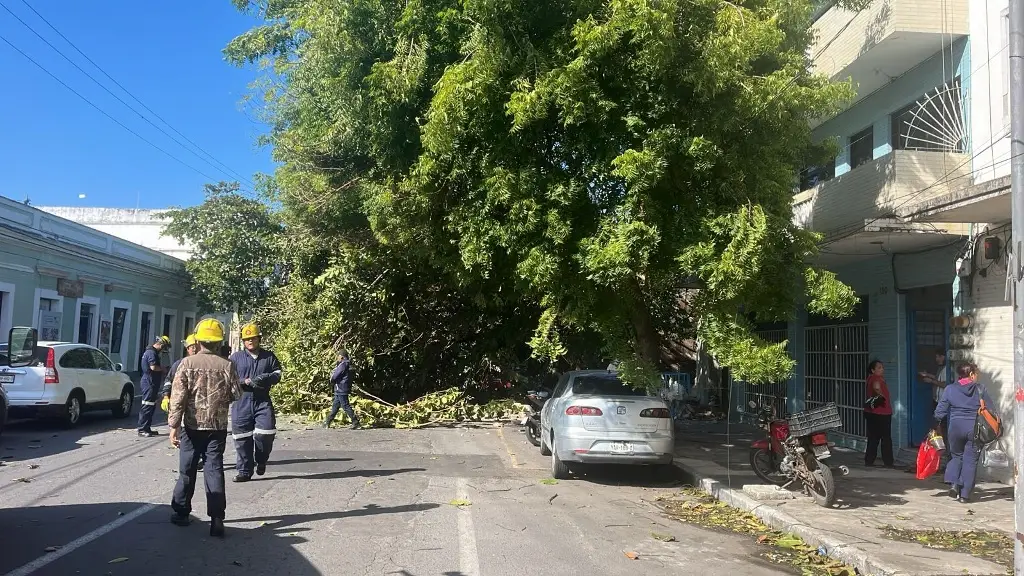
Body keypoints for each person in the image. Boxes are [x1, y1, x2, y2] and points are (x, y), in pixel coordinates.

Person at [168, 318, 242, 537]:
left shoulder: (187, 364)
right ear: (219, 342)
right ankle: (217, 517)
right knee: (214, 469)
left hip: (191, 427)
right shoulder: (228, 365)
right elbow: (237, 394)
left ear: (198, 340)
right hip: (217, 427)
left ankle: (182, 512)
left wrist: (174, 426)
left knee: (187, 470)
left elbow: (177, 399)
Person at [229, 322, 283, 482]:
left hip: (262, 402)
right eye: (247, 339)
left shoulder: (269, 356)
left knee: (266, 433)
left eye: (253, 338)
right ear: (243, 341)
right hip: (241, 402)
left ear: (259, 339)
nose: (250, 341)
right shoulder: (235, 358)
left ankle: (261, 459)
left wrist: (265, 378)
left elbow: (278, 374)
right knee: (242, 439)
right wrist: (243, 381)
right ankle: (244, 471)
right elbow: (227, 378)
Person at [934, 362, 993, 503]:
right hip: (974, 429)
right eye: (976, 373)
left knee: (956, 456)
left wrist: (935, 424)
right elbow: (991, 410)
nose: (977, 376)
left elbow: (940, 411)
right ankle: (965, 495)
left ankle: (954, 484)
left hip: (954, 428)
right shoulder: (980, 389)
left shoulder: (950, 389)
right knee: (970, 461)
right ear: (971, 374)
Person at [162, 335, 207, 471]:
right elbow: (169, 380)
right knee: (187, 434)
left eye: (196, 347)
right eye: (191, 347)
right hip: (184, 406)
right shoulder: (179, 364)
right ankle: (192, 459)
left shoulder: (205, 363)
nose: (194, 349)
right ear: (187, 349)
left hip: (202, 407)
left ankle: (200, 457)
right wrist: (166, 396)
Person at [138, 335, 172, 438]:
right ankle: (142, 429)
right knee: (147, 406)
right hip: (149, 382)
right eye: (164, 347)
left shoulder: (149, 352)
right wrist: (163, 369)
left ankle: (147, 427)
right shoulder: (152, 353)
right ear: (160, 344)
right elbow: (153, 367)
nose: (163, 350)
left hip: (150, 382)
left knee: (151, 405)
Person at [920, 349, 950, 464]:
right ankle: (939, 449)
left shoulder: (948, 369)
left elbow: (946, 384)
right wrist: (928, 375)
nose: (937, 359)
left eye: (939, 357)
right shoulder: (941, 368)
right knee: (936, 426)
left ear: (944, 357)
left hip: (943, 403)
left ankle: (943, 450)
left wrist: (932, 381)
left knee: (940, 426)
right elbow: (939, 378)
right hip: (937, 401)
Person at [864, 359, 894, 468]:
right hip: (881, 413)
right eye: (879, 368)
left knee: (873, 438)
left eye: (882, 367)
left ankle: (869, 460)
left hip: (872, 413)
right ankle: (888, 462)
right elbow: (876, 387)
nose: (882, 370)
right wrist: (880, 395)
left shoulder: (870, 378)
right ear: (873, 370)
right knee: (885, 438)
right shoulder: (876, 378)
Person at [323, 350, 360, 429]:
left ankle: (355, 422)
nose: (337, 358)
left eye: (338, 356)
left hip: (341, 388)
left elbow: (336, 375)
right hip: (340, 388)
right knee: (335, 406)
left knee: (345, 405)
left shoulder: (343, 364)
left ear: (341, 357)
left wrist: (331, 380)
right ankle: (327, 422)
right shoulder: (347, 364)